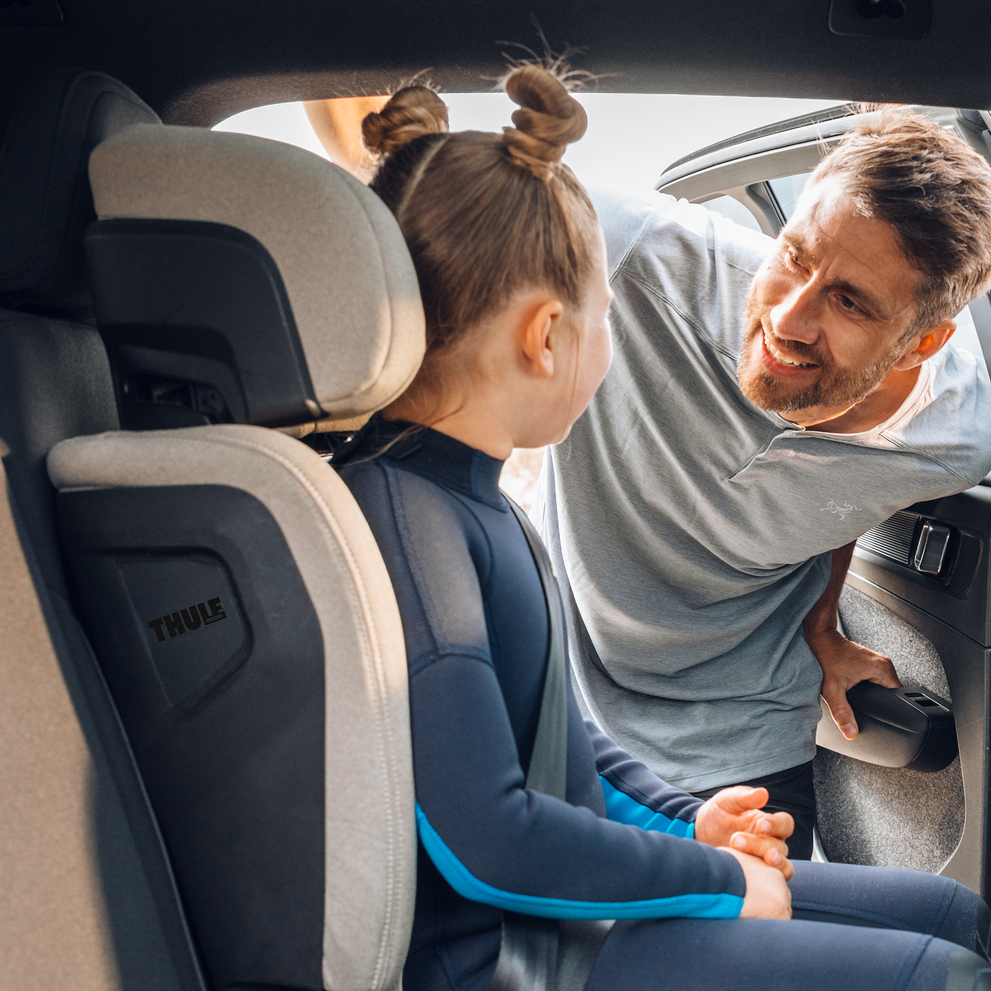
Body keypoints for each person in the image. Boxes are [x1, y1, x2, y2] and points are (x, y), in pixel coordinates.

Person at [333, 65, 991, 991]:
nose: (787, 313)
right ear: (546, 335)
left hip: (569, 893)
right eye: (605, 314)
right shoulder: (414, 524)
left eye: (848, 300)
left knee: (958, 916)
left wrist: (687, 827)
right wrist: (715, 876)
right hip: (507, 955)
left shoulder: (474, 507)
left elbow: (555, 740)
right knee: (942, 974)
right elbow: (491, 839)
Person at [536, 108, 991, 859]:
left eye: (848, 300)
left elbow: (853, 494)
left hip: (743, 733)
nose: (785, 315)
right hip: (564, 707)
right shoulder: (629, 252)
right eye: (792, 254)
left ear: (923, 341)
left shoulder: (955, 441)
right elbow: (406, 184)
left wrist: (820, 624)